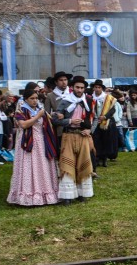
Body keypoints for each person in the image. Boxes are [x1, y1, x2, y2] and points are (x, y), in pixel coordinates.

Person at [7, 89, 59, 206]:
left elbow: (50, 120)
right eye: (32, 98)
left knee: (42, 167)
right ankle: (27, 195)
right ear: (26, 99)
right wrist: (37, 117)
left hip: (41, 142)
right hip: (28, 142)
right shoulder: (21, 110)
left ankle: (45, 193)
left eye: (36, 98)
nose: (35, 101)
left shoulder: (39, 110)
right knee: (28, 167)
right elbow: (23, 124)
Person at [52, 76, 95, 205]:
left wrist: (90, 130)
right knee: (67, 164)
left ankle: (82, 193)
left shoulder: (88, 101)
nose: (80, 90)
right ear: (72, 88)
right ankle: (67, 196)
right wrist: (69, 121)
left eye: (82, 88)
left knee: (83, 163)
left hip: (83, 136)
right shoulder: (65, 101)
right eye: (77, 87)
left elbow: (96, 118)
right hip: (68, 135)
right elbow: (55, 119)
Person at [92, 86, 118, 167]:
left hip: (106, 123)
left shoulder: (108, 98)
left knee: (106, 141)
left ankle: (104, 159)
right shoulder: (90, 98)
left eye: (99, 87)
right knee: (96, 141)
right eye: (96, 87)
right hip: (95, 123)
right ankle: (96, 159)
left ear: (102, 89)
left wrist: (105, 117)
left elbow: (113, 110)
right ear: (93, 88)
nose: (97, 89)